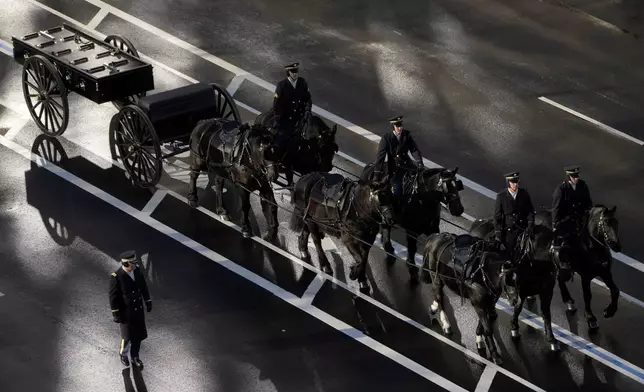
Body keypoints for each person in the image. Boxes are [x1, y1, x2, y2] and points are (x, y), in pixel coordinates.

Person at [109, 250, 152, 369]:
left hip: (137, 310)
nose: (135, 265)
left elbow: (143, 286)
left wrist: (147, 301)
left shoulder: (137, 270)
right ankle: (123, 354)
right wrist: (116, 314)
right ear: (126, 264)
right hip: (126, 313)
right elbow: (113, 297)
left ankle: (135, 356)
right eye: (132, 263)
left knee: (138, 336)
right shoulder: (117, 277)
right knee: (127, 337)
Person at [373, 115, 424, 198]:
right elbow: (380, 157)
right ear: (393, 127)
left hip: (407, 164)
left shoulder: (407, 135)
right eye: (398, 126)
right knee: (397, 187)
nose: (400, 128)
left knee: (419, 179)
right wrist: (376, 174)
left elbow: (414, 150)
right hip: (393, 167)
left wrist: (419, 163)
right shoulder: (386, 138)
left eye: (401, 126)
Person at [272, 62, 312, 155]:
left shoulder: (302, 82)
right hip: (287, 120)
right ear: (288, 72)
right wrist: (279, 120)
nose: (295, 73)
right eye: (293, 71)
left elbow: (308, 98)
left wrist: (307, 110)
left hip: (301, 117)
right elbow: (276, 105)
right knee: (282, 142)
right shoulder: (281, 85)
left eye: (296, 71)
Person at [493, 172, 535, 262]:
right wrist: (498, 234)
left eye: (516, 182)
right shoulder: (501, 196)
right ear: (508, 183)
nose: (515, 184)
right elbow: (497, 217)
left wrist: (530, 224)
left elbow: (530, 210)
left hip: (523, 228)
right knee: (508, 254)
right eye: (513, 182)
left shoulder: (524, 194)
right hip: (509, 230)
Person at [552, 165, 593, 246]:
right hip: (567, 219)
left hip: (581, 218)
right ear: (569, 176)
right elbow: (556, 208)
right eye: (574, 177)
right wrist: (555, 224)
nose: (576, 179)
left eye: (577, 176)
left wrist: (589, 212)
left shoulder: (583, 185)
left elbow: (588, 202)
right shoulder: (561, 188)